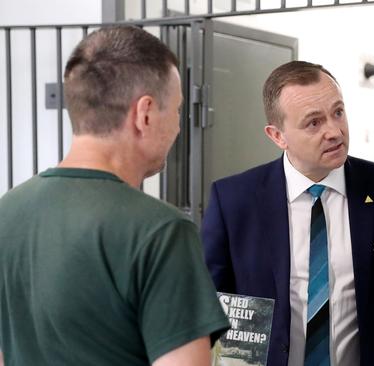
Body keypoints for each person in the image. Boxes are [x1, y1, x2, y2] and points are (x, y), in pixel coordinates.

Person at [0, 26, 230, 366]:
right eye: (178, 110)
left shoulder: (7, 212)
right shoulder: (161, 230)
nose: (179, 127)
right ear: (145, 113)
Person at [202, 60, 374, 366]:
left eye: (338, 112)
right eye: (314, 122)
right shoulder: (234, 200)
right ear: (277, 135)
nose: (334, 131)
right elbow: (209, 304)